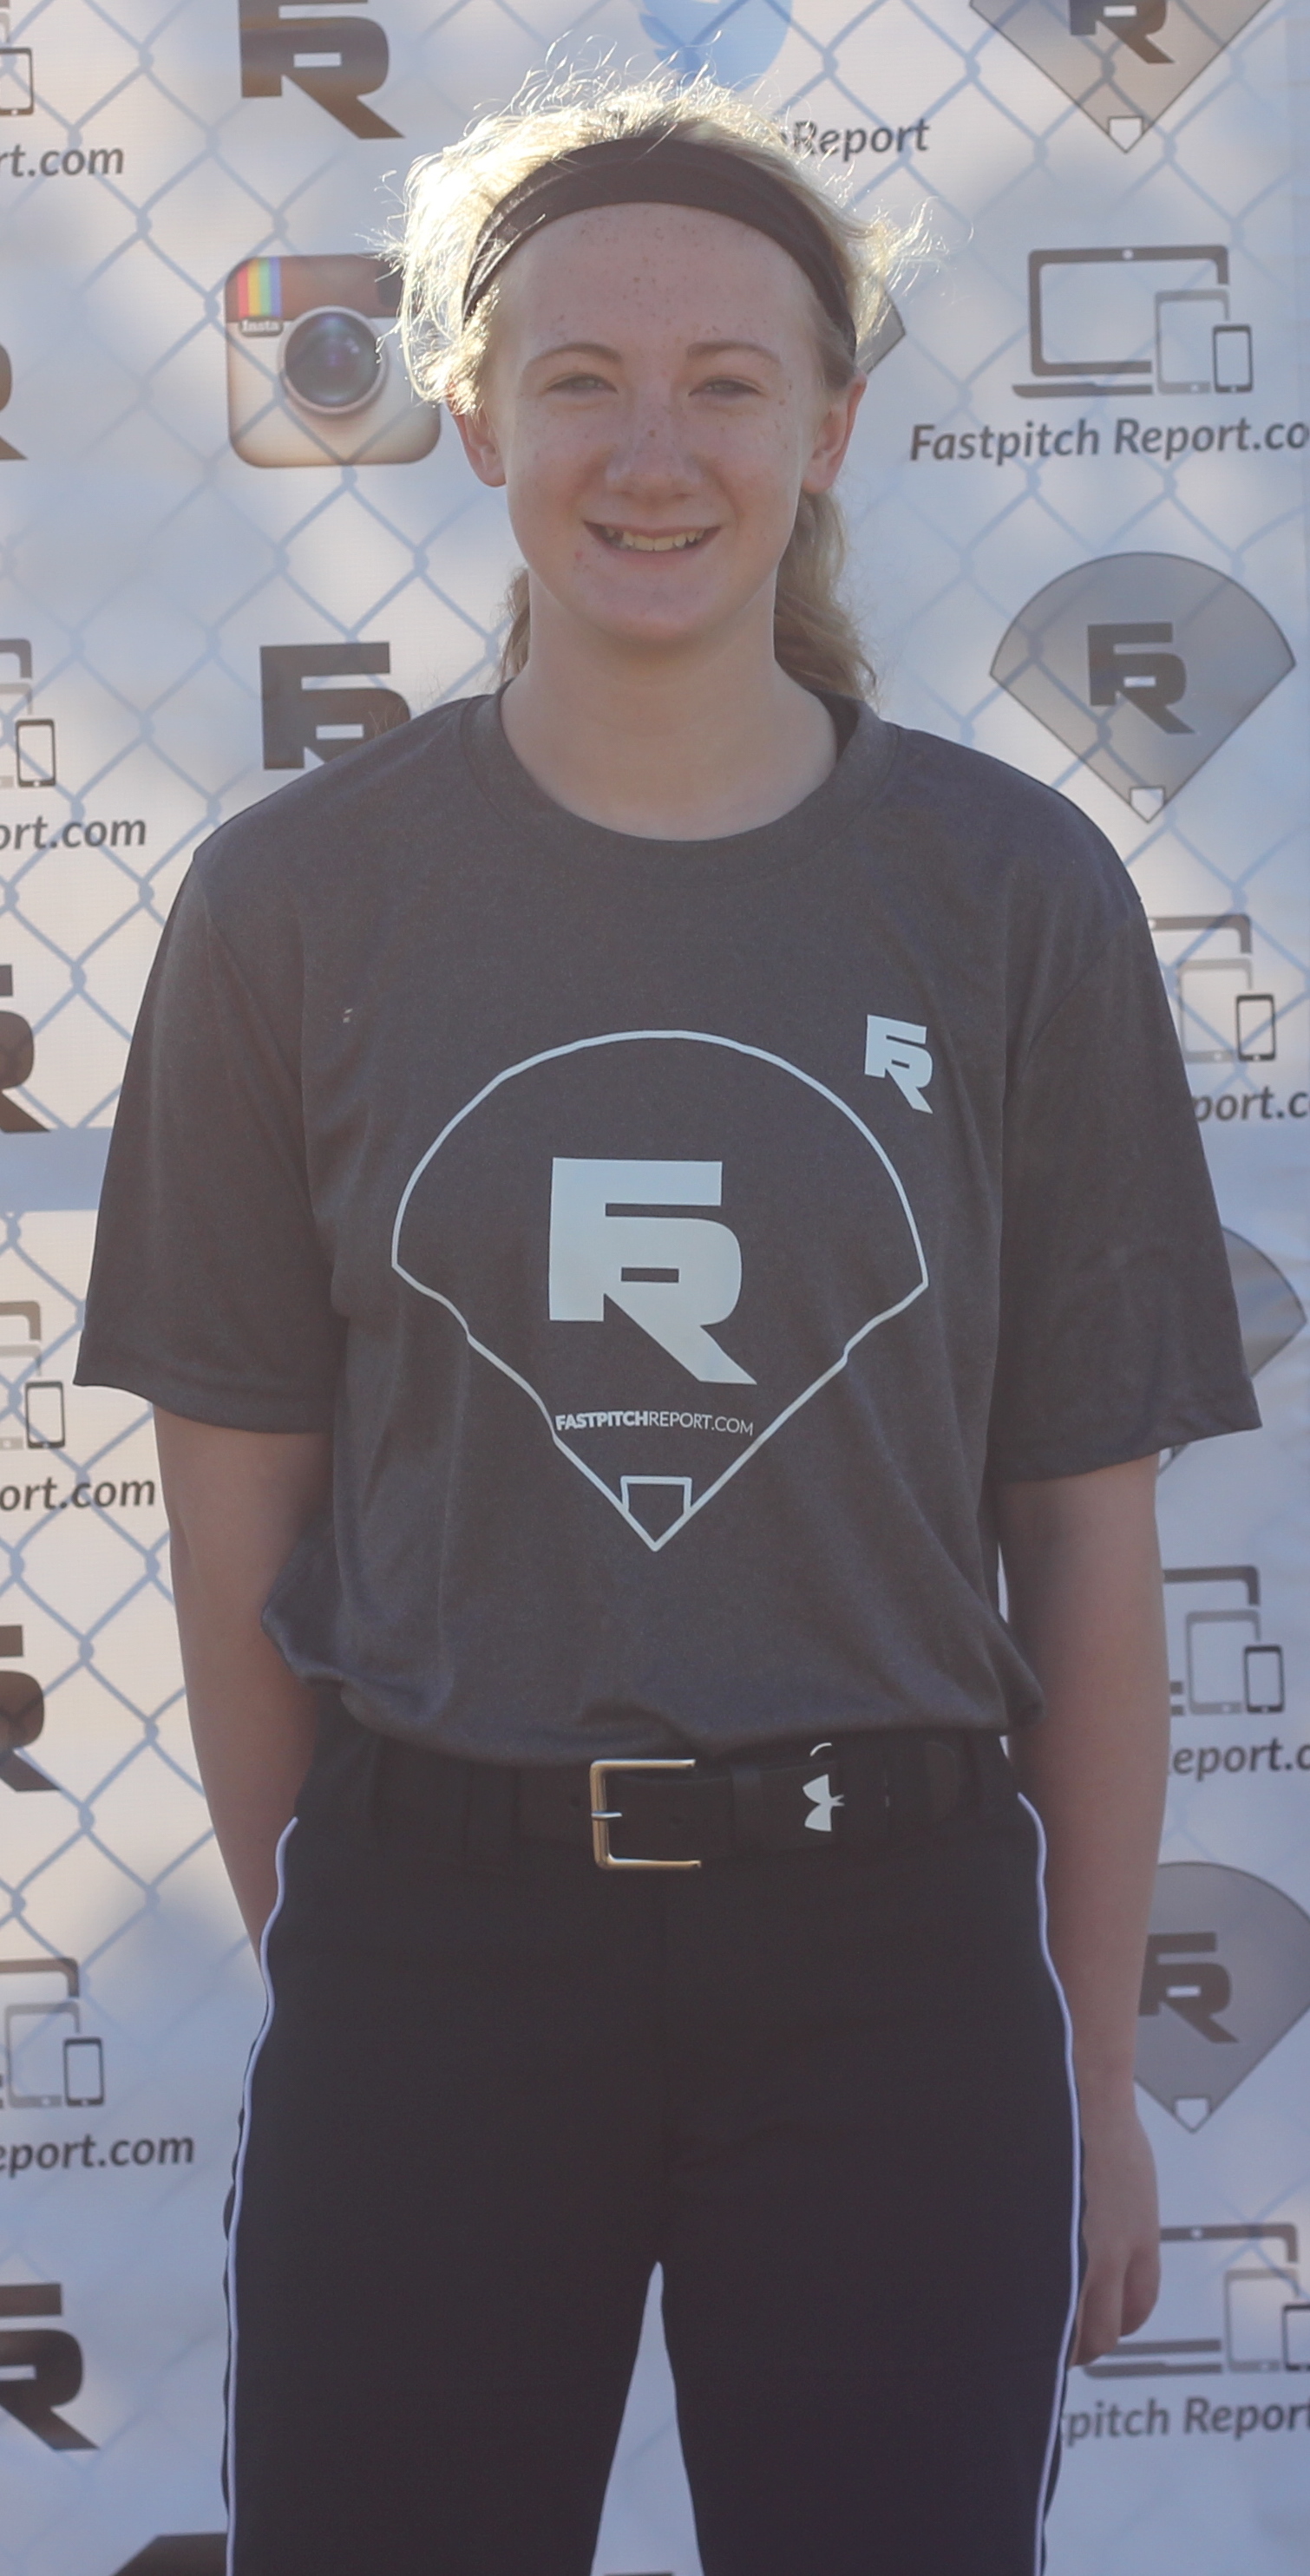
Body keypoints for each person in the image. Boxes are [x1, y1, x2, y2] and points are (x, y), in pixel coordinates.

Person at [76, 73, 1257, 2576]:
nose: (652, 451)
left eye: (728, 381)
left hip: (891, 1962)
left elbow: (1084, 1540)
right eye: (582, 379)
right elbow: (237, 1528)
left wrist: (1093, 2077)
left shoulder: (1011, 892)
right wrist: (357, 1965)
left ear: (830, 429)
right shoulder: (295, 904)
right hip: (438, 1940)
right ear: (472, 412)